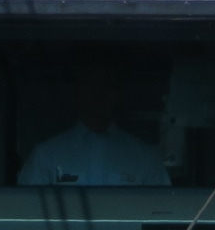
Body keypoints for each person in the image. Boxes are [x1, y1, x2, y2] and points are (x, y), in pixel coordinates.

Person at [18, 66, 171, 186]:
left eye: (107, 83)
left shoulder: (146, 159)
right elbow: (26, 216)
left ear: (117, 93)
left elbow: (162, 216)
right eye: (90, 82)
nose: (99, 92)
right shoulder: (44, 157)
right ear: (77, 90)